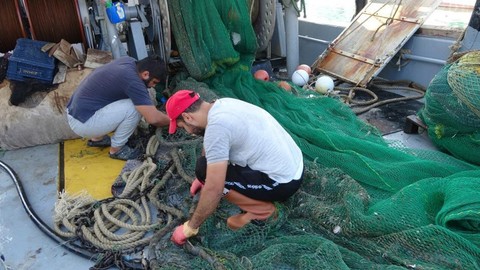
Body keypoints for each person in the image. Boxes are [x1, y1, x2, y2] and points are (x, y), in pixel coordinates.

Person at [166, 90, 304, 245]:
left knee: (211, 177)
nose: (188, 131)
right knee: (203, 169)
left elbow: (214, 189)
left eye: (183, 126)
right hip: (296, 165)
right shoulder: (222, 104)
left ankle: (262, 211)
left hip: (283, 182)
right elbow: (211, 146)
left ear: (187, 117)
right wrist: (201, 177)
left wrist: (189, 228)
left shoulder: (217, 128)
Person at [66, 55, 170, 160]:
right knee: (134, 108)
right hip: (83, 124)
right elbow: (153, 118)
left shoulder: (128, 61)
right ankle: (117, 150)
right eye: (154, 82)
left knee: (129, 98)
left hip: (77, 113)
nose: (154, 86)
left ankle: (97, 139)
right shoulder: (133, 81)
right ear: (146, 74)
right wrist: (174, 121)